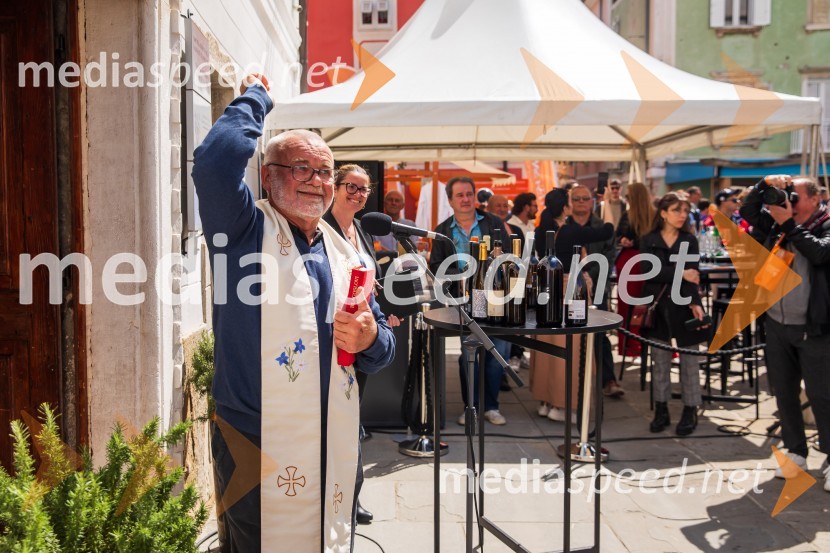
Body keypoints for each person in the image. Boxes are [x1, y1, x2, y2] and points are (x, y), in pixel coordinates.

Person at [192, 74, 395, 552]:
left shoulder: (346, 254)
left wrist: (369, 340)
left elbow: (381, 345)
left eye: (326, 172)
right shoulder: (241, 232)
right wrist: (255, 97)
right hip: (254, 440)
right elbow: (214, 163)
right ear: (267, 174)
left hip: (335, 434)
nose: (318, 182)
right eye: (300, 168)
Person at [323, 165, 403, 526]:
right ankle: (336, 496)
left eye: (363, 190)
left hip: (363, 338)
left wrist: (384, 313)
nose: (357, 195)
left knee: (355, 418)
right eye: (351, 188)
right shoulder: (321, 227)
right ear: (336, 188)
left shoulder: (361, 230)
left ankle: (351, 495)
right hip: (334, 336)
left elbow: (370, 280)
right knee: (338, 421)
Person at [740, 174, 830, 491]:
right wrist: (764, 185)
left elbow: (820, 253)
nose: (788, 199)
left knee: (823, 396)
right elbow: (748, 210)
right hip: (777, 323)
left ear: (817, 199)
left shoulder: (825, 225)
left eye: (795, 194)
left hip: (815, 326)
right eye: (786, 193)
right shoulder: (776, 222)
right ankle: (796, 452)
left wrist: (789, 225)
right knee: (784, 393)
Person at [429, 176, 511, 426]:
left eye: (469, 194)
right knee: (468, 356)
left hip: (495, 298)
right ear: (450, 200)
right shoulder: (443, 230)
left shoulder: (494, 223)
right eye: (460, 195)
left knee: (496, 355)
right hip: (463, 301)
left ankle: (492, 407)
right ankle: (471, 407)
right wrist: (459, 281)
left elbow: (509, 258)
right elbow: (435, 267)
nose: (465, 199)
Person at [530, 188, 614, 420]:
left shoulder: (541, 230)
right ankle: (564, 404)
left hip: (547, 291)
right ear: (565, 207)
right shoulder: (569, 231)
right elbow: (607, 231)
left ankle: (546, 401)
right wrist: (606, 204)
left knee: (547, 346)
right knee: (573, 347)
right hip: (571, 291)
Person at [641, 193, 709, 437]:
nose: (682, 215)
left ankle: (690, 409)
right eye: (676, 210)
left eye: (685, 211)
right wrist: (680, 274)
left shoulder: (689, 240)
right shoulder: (648, 240)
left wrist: (694, 301)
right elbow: (649, 272)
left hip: (683, 305)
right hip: (656, 306)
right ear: (663, 213)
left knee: (690, 361)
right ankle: (661, 410)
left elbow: (694, 275)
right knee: (659, 362)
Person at [566, 185, 624, 398]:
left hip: (598, 286)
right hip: (568, 288)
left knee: (599, 334)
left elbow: (609, 258)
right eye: (577, 198)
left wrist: (588, 276)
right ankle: (571, 382)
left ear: (592, 201)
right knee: (569, 336)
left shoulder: (603, 227)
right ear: (570, 202)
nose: (581, 202)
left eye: (585, 198)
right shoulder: (564, 225)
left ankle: (608, 379)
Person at [614, 183, 655, 357]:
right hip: (651, 261)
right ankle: (653, 344)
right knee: (651, 305)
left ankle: (630, 345)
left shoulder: (628, 216)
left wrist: (624, 241)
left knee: (627, 306)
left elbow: (618, 236)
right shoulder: (655, 216)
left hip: (630, 262)